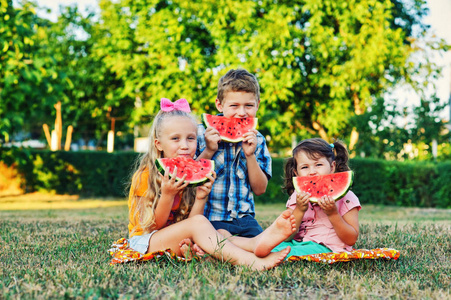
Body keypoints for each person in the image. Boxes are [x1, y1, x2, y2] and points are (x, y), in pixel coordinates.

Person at [127, 98, 291, 270]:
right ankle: (252, 262)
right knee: (200, 224)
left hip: (176, 241)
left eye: (191, 138)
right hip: (144, 244)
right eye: (175, 139)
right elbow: (153, 226)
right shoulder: (145, 175)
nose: (185, 146)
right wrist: (167, 196)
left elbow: (189, 222)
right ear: (158, 144)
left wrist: (200, 197)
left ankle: (254, 243)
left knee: (221, 234)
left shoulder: (190, 174)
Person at [196, 68, 271, 238]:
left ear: (257, 105)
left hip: (245, 220)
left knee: (262, 246)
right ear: (219, 105)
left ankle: (234, 244)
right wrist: (209, 150)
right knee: (215, 242)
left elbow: (260, 189)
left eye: (249, 106)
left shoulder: (257, 140)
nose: (242, 112)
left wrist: (250, 155)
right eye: (234, 106)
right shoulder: (201, 134)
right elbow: (190, 180)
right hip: (209, 219)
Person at [271, 138, 361, 257]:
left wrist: (333, 214)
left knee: (281, 253)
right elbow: (287, 237)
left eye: (318, 165)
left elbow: (351, 240)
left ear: (332, 166)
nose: (312, 172)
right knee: (271, 245)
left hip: (327, 248)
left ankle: (250, 258)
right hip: (298, 244)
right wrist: (299, 210)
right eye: (304, 167)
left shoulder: (347, 197)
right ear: (296, 173)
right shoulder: (297, 196)